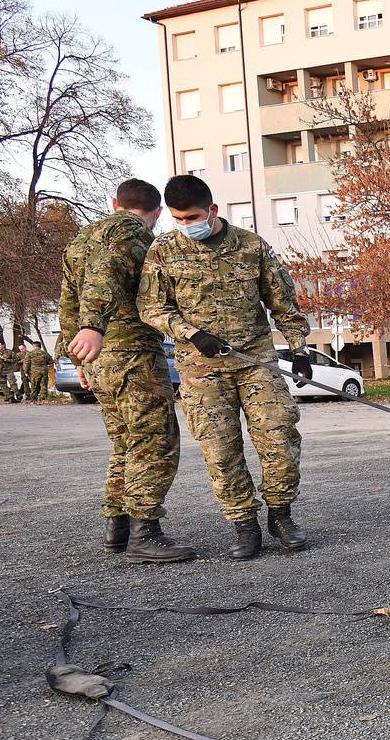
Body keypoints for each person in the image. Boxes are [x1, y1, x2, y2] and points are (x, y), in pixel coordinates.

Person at [138, 174, 312, 560]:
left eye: (194, 217)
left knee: (279, 435)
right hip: (201, 367)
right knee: (220, 450)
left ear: (212, 210)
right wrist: (191, 332)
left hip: (255, 360)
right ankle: (244, 524)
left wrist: (299, 348)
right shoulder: (163, 251)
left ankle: (281, 515)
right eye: (179, 219)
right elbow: (151, 307)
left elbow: (282, 300)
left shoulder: (251, 246)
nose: (188, 225)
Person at [57, 178, 195, 562]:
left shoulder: (81, 240)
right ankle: (144, 533)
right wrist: (93, 328)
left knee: (124, 442)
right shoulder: (129, 232)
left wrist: (77, 356)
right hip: (130, 354)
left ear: (114, 202)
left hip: (100, 359)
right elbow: (106, 275)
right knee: (154, 441)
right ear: (157, 213)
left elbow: (67, 299)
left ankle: (117, 527)